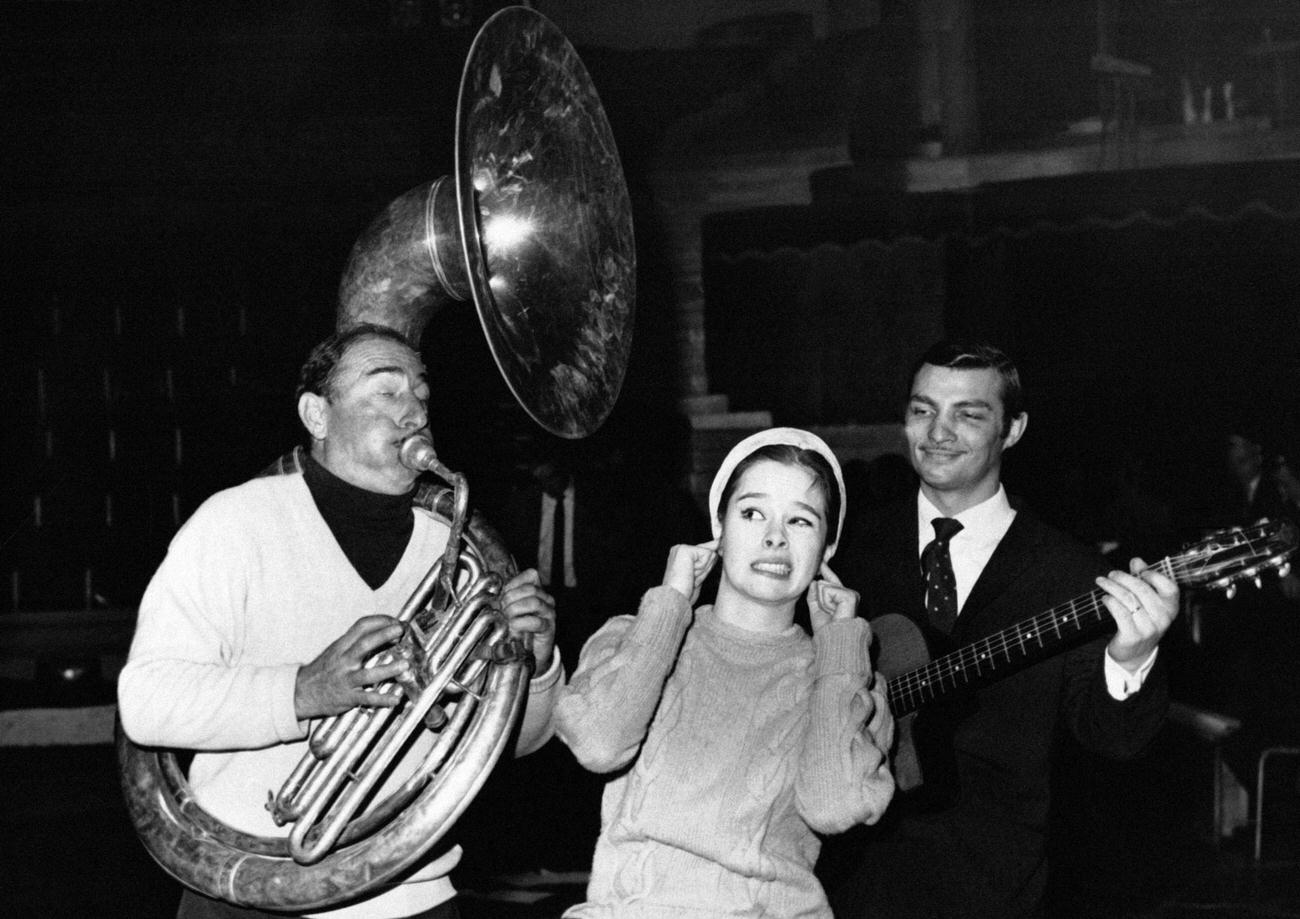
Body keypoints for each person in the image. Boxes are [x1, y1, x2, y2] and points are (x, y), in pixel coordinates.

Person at [117, 323, 561, 919]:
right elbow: (146, 701)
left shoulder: (456, 551)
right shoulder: (234, 524)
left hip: (415, 893)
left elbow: (512, 743)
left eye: (423, 395)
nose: (415, 414)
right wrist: (300, 691)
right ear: (317, 415)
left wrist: (534, 665)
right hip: (256, 891)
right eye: (387, 391)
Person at [822, 341, 1180, 919]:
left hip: (999, 885)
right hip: (851, 881)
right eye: (922, 410)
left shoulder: (1069, 572)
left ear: (1013, 430)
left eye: (968, 414)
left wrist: (1133, 656)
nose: (938, 432)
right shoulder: (848, 551)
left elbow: (1115, 738)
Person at [554, 427, 895, 918]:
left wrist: (839, 651)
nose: (774, 537)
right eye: (752, 513)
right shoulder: (640, 636)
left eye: (800, 521)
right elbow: (598, 744)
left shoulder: (845, 684)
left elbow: (832, 807)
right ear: (719, 525)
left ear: (829, 548)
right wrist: (669, 605)